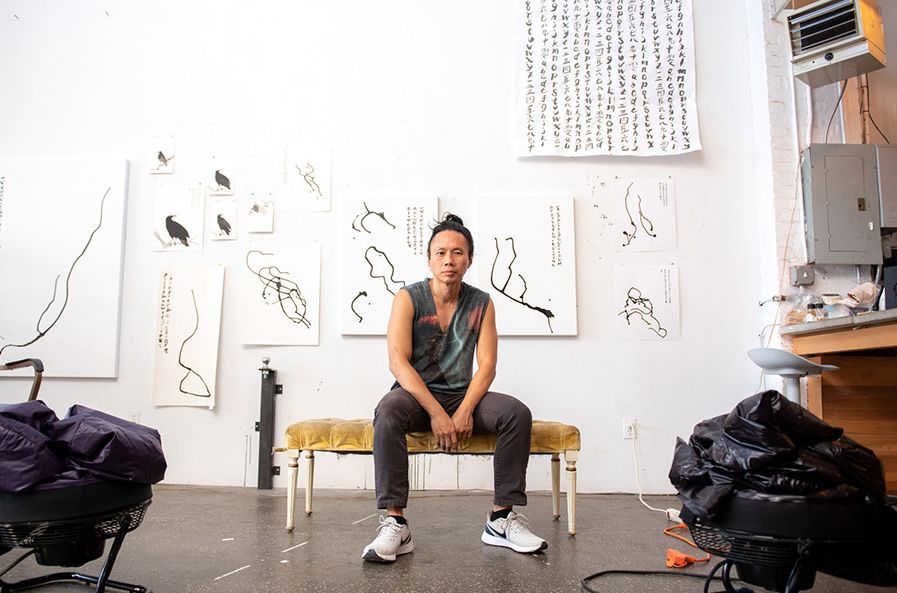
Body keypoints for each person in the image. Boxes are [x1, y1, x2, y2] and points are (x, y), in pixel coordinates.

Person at [362, 213, 546, 563]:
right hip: (416, 397)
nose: (449, 260)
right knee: (387, 409)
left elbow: (487, 366)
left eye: (458, 253)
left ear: (470, 259)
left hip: (464, 396)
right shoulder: (408, 298)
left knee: (516, 413)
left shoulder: (481, 303)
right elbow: (398, 363)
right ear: (429, 259)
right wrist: (435, 412)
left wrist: (462, 411)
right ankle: (395, 522)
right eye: (441, 253)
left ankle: (501, 518)